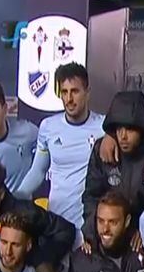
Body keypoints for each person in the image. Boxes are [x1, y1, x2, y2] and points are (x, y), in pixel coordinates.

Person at [16, 63, 106, 248]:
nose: (69, 98)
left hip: (90, 227)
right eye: (64, 92)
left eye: (75, 91)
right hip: (57, 225)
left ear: (87, 92)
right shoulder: (48, 127)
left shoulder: (103, 128)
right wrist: (17, 196)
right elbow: (38, 172)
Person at [81, 91, 144, 243]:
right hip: (108, 237)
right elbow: (92, 197)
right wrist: (92, 236)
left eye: (130, 129)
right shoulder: (103, 150)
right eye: (118, 129)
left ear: (142, 128)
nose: (123, 136)